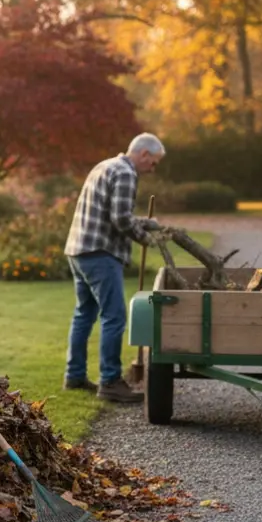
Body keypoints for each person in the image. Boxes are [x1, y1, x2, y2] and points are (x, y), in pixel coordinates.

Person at [62, 133, 164, 403]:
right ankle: (110, 382)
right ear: (143, 154)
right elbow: (120, 219)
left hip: (78, 250)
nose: (152, 169)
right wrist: (146, 238)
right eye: (153, 163)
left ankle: (74, 376)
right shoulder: (127, 174)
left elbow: (112, 213)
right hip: (100, 254)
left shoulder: (105, 166)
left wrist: (144, 222)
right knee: (115, 316)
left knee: (84, 314)